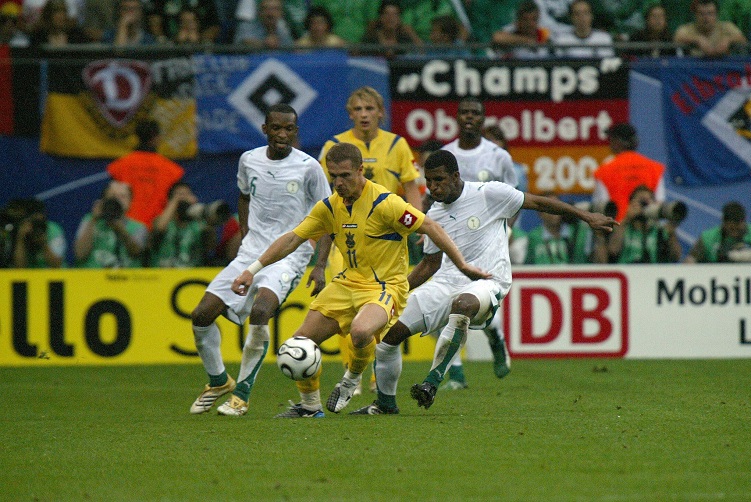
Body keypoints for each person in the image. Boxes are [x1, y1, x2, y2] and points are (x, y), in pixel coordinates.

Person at [231, 142, 490, 418]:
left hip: (385, 287)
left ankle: (351, 379)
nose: (339, 183)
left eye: (345, 175)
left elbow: (430, 226)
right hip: (345, 284)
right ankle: (310, 406)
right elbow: (292, 239)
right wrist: (252, 269)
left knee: (361, 331)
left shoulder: (385, 203)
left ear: (360, 170)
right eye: (334, 176)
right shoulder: (330, 206)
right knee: (298, 344)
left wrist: (462, 264)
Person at [348, 150, 616, 414]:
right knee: (389, 335)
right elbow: (430, 264)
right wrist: (395, 292)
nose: (433, 187)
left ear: (455, 176)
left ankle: (432, 381)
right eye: (428, 181)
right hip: (445, 282)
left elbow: (538, 203)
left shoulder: (489, 193)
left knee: (462, 304)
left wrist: (587, 217)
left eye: (439, 180)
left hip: (488, 280)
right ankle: (385, 404)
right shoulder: (434, 216)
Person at [189, 104, 332, 417]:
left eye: (289, 129)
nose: (282, 134)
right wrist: (245, 233)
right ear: (265, 129)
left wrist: (320, 265)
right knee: (201, 315)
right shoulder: (249, 159)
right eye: (276, 128)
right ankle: (218, 381)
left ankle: (241, 396)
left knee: (261, 310)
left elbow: (328, 217)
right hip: (251, 252)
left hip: (290, 256)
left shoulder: (309, 167)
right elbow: (244, 196)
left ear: (296, 132)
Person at [319, 86, 423, 395]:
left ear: (380, 112)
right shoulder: (334, 145)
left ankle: (380, 373)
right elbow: (324, 195)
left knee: (380, 306)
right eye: (358, 109)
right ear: (350, 114)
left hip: (385, 239)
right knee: (345, 305)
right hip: (345, 237)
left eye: (369, 108)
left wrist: (417, 224)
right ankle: (352, 372)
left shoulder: (397, 144)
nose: (364, 115)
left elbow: (411, 186)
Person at [440, 96, 518, 389]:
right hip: (453, 238)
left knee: (478, 303)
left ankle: (494, 334)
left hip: (488, 241)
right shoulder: (446, 154)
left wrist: (507, 231)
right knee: (442, 303)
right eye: (464, 112)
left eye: (475, 113)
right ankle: (456, 373)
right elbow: (434, 194)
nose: (469, 117)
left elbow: (516, 200)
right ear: (457, 117)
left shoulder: (498, 156)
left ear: (483, 119)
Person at [107, 119, 185, 230]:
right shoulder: (172, 170)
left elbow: (110, 198)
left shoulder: (120, 166)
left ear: (137, 137)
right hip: (157, 229)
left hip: (126, 228)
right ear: (156, 138)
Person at [592, 122, 666, 223]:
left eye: (611, 139)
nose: (609, 143)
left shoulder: (604, 171)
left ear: (617, 142)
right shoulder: (654, 168)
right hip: (648, 229)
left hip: (617, 228)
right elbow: (659, 205)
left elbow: (602, 208)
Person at [74, 180, 148, 268]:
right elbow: (80, 254)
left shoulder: (138, 227)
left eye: (122, 196)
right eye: (113, 196)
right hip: (91, 275)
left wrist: (118, 226)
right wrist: (93, 219)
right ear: (104, 200)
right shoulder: (89, 220)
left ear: (130, 202)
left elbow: (136, 253)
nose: (117, 200)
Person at [148, 182, 222, 267]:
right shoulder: (163, 221)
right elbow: (159, 228)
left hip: (191, 273)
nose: (184, 198)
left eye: (188, 194)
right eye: (180, 195)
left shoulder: (199, 225)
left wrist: (206, 217)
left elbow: (211, 245)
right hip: (163, 273)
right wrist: (175, 201)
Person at [605, 185, 683, 264]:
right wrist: (627, 219)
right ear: (631, 204)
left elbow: (676, 257)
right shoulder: (623, 227)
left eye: (649, 201)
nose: (645, 205)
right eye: (642, 201)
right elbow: (613, 250)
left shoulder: (660, 231)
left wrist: (672, 232)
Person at [524, 193, 594, 264]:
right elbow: (527, 266)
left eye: (557, 207)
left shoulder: (579, 233)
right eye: (549, 208)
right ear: (540, 213)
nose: (554, 212)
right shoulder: (533, 238)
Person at [673, 0, 746, 57]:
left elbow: (742, 39)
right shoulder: (688, 28)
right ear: (695, 15)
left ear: (717, 14)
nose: (706, 18)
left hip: (722, 68)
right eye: (701, 14)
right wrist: (697, 39)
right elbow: (677, 38)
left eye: (710, 13)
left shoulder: (726, 26)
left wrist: (728, 40)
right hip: (696, 68)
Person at [684, 202, 751, 263]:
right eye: (731, 229)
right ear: (723, 223)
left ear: (744, 222)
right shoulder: (708, 238)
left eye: (738, 229)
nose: (735, 233)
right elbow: (691, 259)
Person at [10, 199, 66, 268]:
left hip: (53, 273)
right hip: (30, 274)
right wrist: (20, 238)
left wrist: (43, 243)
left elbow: (56, 265)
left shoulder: (53, 229)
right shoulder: (21, 230)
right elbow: (19, 267)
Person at [149, 0, 220, 43]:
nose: (187, 24)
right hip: (169, 42)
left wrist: (201, 41)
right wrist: (163, 40)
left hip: (200, 42)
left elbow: (214, 25)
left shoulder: (206, 2)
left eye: (190, 22)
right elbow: (155, 19)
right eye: (184, 22)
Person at [310, 0, 378, 44]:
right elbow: (316, 19)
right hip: (329, 44)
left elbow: (373, 21)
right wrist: (334, 41)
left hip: (363, 46)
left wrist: (362, 46)